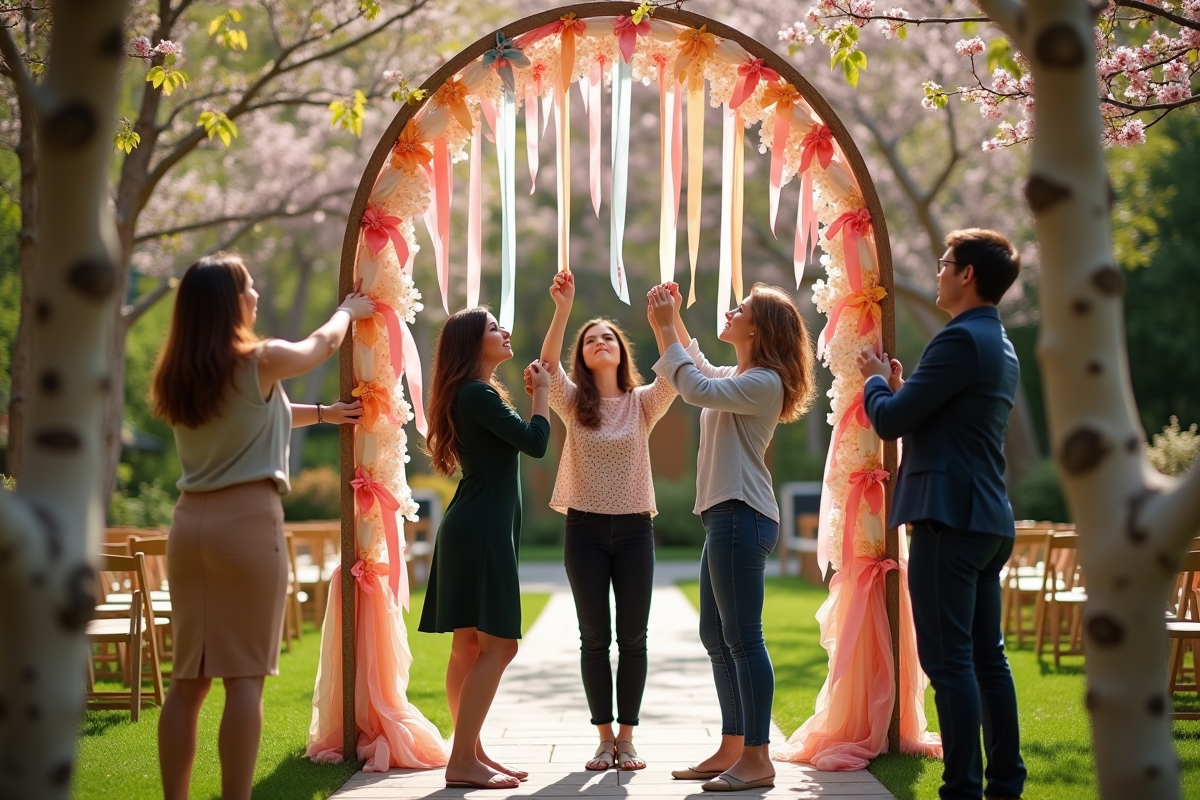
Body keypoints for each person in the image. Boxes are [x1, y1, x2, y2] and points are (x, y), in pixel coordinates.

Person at [152, 252, 373, 800]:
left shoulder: (182, 375)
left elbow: (262, 412)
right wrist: (346, 310)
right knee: (243, 680)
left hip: (189, 528)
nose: (255, 295)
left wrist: (321, 413)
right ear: (229, 302)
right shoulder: (260, 358)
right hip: (247, 525)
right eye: (248, 287)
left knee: (187, 682)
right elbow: (318, 347)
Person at [857, 228, 1026, 800]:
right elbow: (941, 418)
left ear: (967, 275)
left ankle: (962, 789)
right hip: (987, 518)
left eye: (944, 263)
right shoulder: (997, 342)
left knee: (951, 662)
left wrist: (875, 382)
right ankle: (1006, 782)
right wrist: (901, 389)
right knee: (987, 660)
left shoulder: (958, 340)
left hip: (946, 519)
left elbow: (890, 421)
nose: (937, 272)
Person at [648, 282, 815, 793]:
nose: (729, 310)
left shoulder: (764, 382)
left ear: (758, 329)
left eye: (740, 308)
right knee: (715, 635)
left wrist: (663, 328)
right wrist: (668, 323)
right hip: (725, 517)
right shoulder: (741, 375)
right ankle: (733, 745)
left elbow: (693, 386)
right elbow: (694, 367)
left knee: (743, 639)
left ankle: (758, 757)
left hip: (742, 516)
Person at [530, 271, 680, 772]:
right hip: (585, 531)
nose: (599, 343)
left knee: (633, 637)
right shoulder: (574, 403)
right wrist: (563, 309)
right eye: (590, 339)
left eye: (608, 338)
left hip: (636, 530)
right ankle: (603, 738)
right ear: (584, 354)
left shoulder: (642, 404)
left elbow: (676, 373)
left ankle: (629, 738)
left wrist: (669, 322)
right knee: (594, 637)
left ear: (620, 351)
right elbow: (546, 366)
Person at [418, 307, 551, 790]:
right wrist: (542, 397)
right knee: (500, 645)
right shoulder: (477, 393)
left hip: (472, 526)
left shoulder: (473, 392)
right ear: (473, 343)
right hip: (481, 531)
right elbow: (535, 443)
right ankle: (463, 761)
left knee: (468, 647)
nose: (505, 331)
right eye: (494, 327)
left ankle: (468, 751)